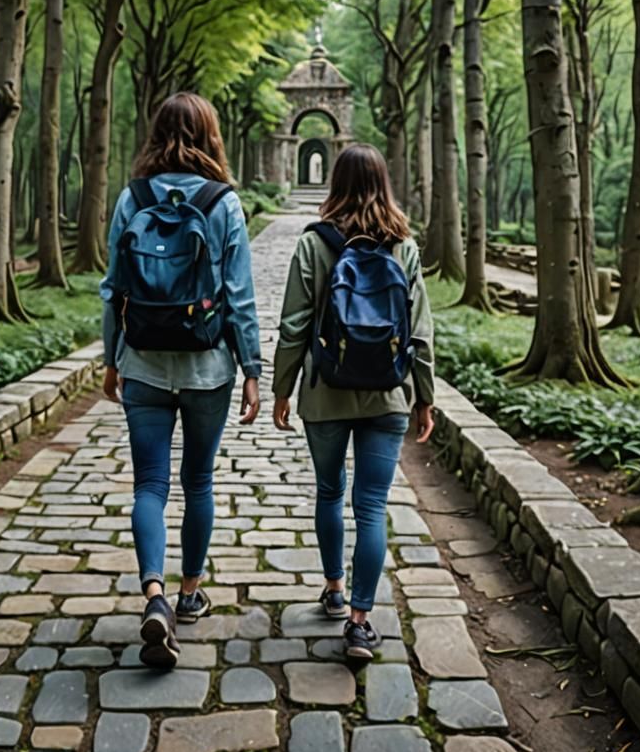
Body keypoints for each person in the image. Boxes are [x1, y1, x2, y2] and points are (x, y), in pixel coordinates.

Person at [100, 92, 262, 668]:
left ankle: (153, 595)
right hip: (207, 366)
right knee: (197, 481)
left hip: (142, 360)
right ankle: (190, 593)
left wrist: (110, 357)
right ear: (212, 135)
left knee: (149, 485)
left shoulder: (132, 197)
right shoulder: (224, 203)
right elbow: (240, 298)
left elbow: (114, 287)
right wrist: (252, 370)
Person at [272, 144, 435, 660]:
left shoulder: (314, 244)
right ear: (384, 184)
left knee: (328, 492)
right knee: (372, 506)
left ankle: (334, 588)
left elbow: (294, 325)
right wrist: (423, 399)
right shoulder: (403, 247)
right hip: (387, 395)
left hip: (325, 393)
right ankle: (362, 623)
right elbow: (422, 336)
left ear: (334, 183)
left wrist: (282, 387)